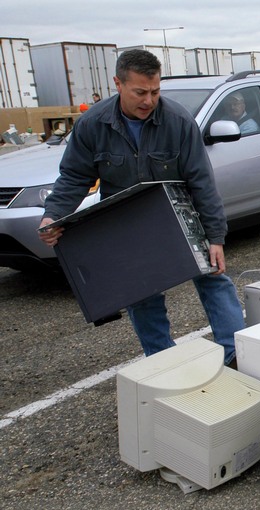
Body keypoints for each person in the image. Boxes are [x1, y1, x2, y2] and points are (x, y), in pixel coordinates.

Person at [37, 49, 245, 366]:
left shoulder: (178, 122)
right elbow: (75, 176)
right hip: (129, 225)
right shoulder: (93, 125)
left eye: (155, 91)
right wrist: (53, 215)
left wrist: (215, 238)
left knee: (214, 278)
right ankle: (165, 363)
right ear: (118, 84)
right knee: (141, 293)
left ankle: (235, 356)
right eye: (140, 92)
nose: (149, 100)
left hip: (179, 217)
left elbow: (202, 182)